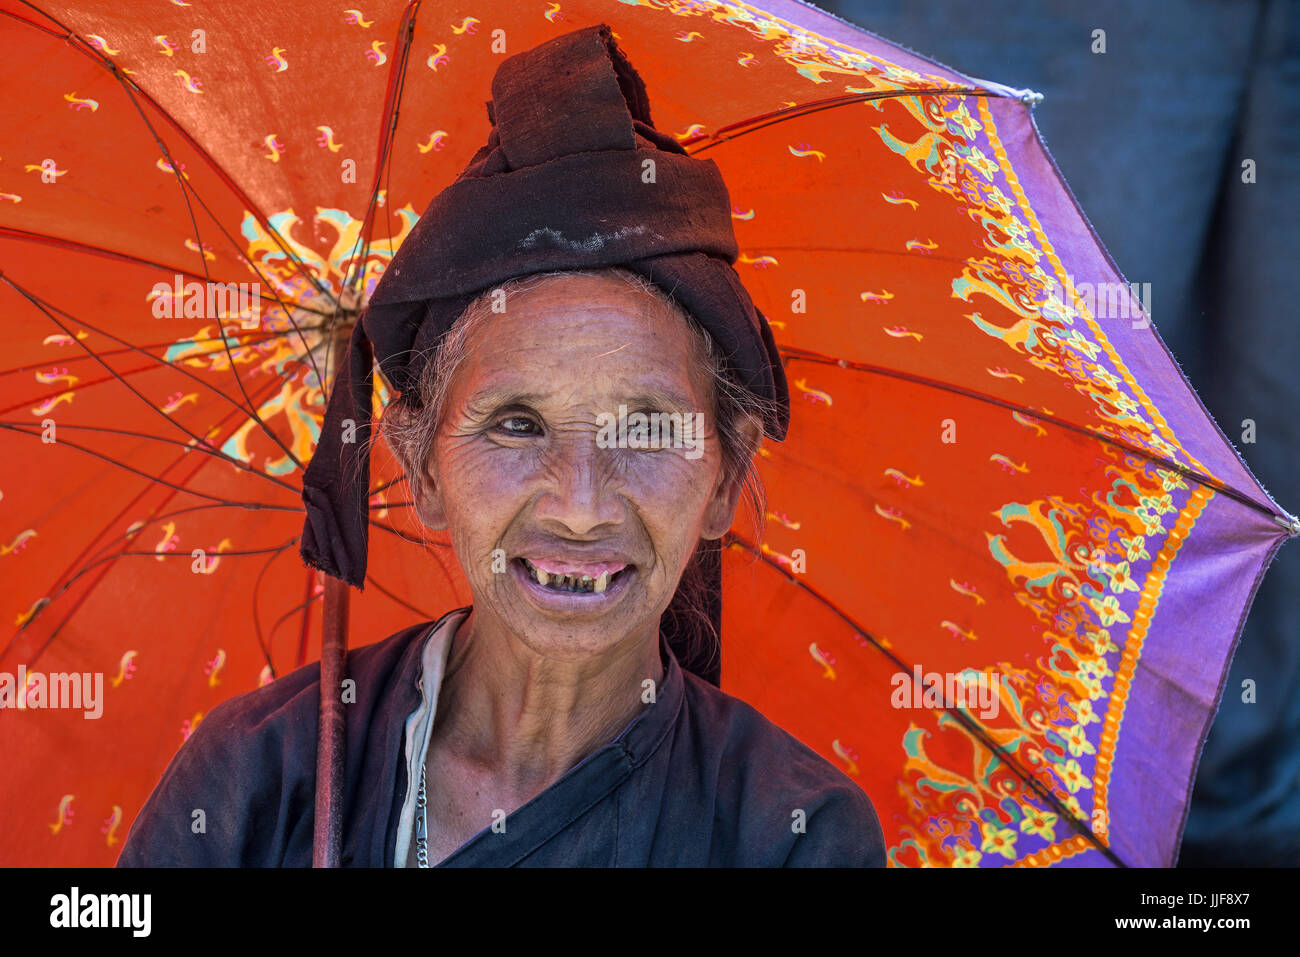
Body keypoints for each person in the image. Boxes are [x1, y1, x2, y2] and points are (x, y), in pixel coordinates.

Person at [116, 22, 886, 868]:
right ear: (420, 464)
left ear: (723, 479)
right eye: (516, 423)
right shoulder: (258, 779)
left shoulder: (790, 834)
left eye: (647, 429)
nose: (581, 503)